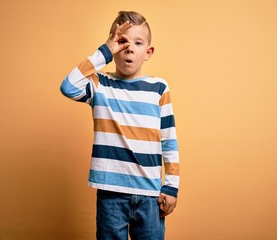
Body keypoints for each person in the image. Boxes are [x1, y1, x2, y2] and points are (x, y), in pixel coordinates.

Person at [60, 11, 180, 240]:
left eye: (138, 42)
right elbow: (68, 86)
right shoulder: (100, 85)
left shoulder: (159, 89)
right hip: (110, 194)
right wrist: (104, 50)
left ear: (148, 51)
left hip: (150, 195)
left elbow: (169, 139)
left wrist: (171, 186)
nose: (130, 48)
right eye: (122, 42)